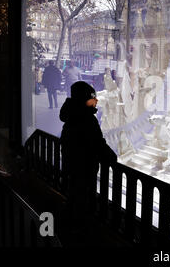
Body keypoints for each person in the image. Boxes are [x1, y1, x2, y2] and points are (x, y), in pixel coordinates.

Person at [59, 81, 117, 245]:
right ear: (83, 99)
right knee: (81, 200)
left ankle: (70, 228)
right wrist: (111, 156)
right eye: (93, 98)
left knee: (73, 197)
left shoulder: (72, 117)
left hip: (72, 167)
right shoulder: (86, 120)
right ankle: (79, 235)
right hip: (84, 169)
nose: (96, 101)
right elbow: (97, 143)